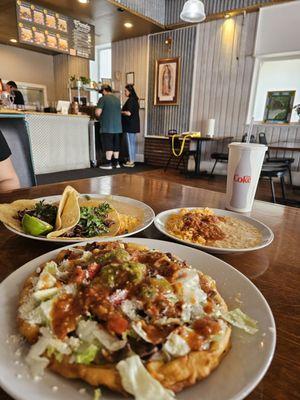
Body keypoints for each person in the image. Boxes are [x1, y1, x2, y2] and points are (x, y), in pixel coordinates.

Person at [95, 84, 122, 170]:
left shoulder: (103, 99)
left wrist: (98, 115)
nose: (101, 93)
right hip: (118, 127)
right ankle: (117, 163)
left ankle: (108, 163)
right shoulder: (117, 100)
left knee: (108, 145)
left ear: (104, 91)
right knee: (116, 145)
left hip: (107, 126)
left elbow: (98, 113)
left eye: (102, 92)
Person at [121, 84, 140, 167]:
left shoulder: (131, 100)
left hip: (130, 125)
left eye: (125, 91)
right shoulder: (135, 100)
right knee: (132, 143)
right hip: (134, 125)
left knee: (130, 143)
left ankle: (131, 161)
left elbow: (129, 113)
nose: (125, 92)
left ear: (129, 91)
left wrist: (121, 112)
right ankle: (132, 160)